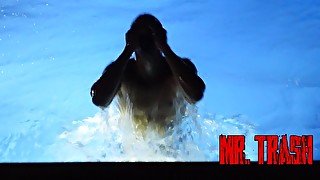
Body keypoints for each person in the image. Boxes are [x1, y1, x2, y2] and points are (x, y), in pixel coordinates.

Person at [90, 13, 205, 135]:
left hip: (174, 148)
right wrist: (128, 50)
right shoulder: (122, 72)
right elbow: (100, 100)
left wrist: (165, 48)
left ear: (161, 37)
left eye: (151, 35)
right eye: (141, 36)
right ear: (131, 38)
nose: (147, 41)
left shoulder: (179, 69)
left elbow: (195, 95)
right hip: (133, 151)